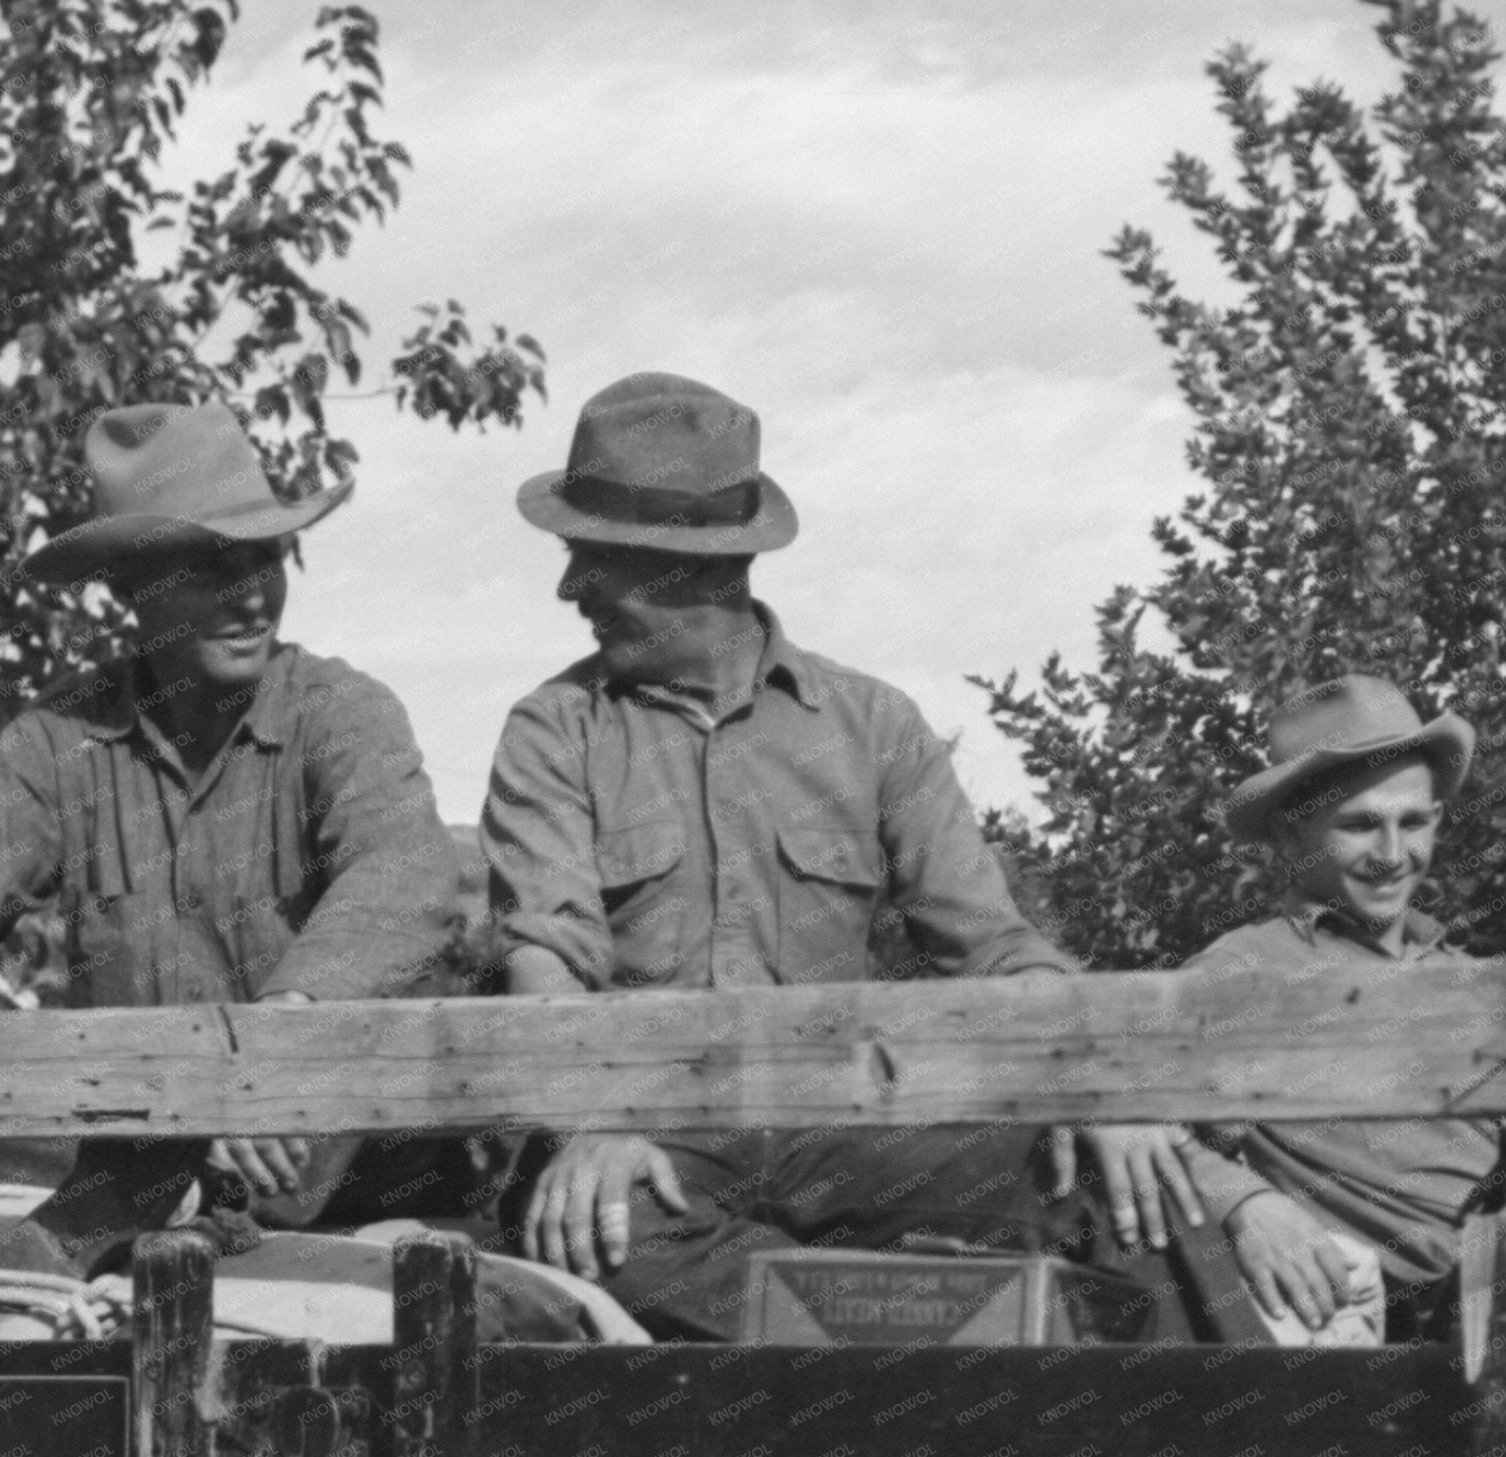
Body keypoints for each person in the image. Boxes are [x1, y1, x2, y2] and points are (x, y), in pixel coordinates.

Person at [481, 371, 1195, 1337]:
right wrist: (593, 1121)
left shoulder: (870, 726)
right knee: (607, 1230)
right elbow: (547, 958)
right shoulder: (555, 730)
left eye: (589, 560)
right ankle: (927, 1348)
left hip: (853, 1125)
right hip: (652, 1133)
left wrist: (1099, 1080)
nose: (567, 590)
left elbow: (989, 946)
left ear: (684, 568)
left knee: (1117, 1184)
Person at [0, 403, 468, 1272]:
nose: (250, 596)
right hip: (141, 1158)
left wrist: (278, 1045)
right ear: (128, 588)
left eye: (263, 559)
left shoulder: (340, 713)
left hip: (340, 1166)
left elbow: (405, 878)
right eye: (210, 570)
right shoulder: (58, 742)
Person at [1168, 675, 1506, 1346]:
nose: (1392, 856)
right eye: (1359, 825)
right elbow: (1123, 1123)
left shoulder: (1478, 983)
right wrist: (1242, 1200)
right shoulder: (1241, 973)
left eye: (1412, 822)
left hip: (1504, 1301)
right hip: (1358, 1324)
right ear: (1293, 834)